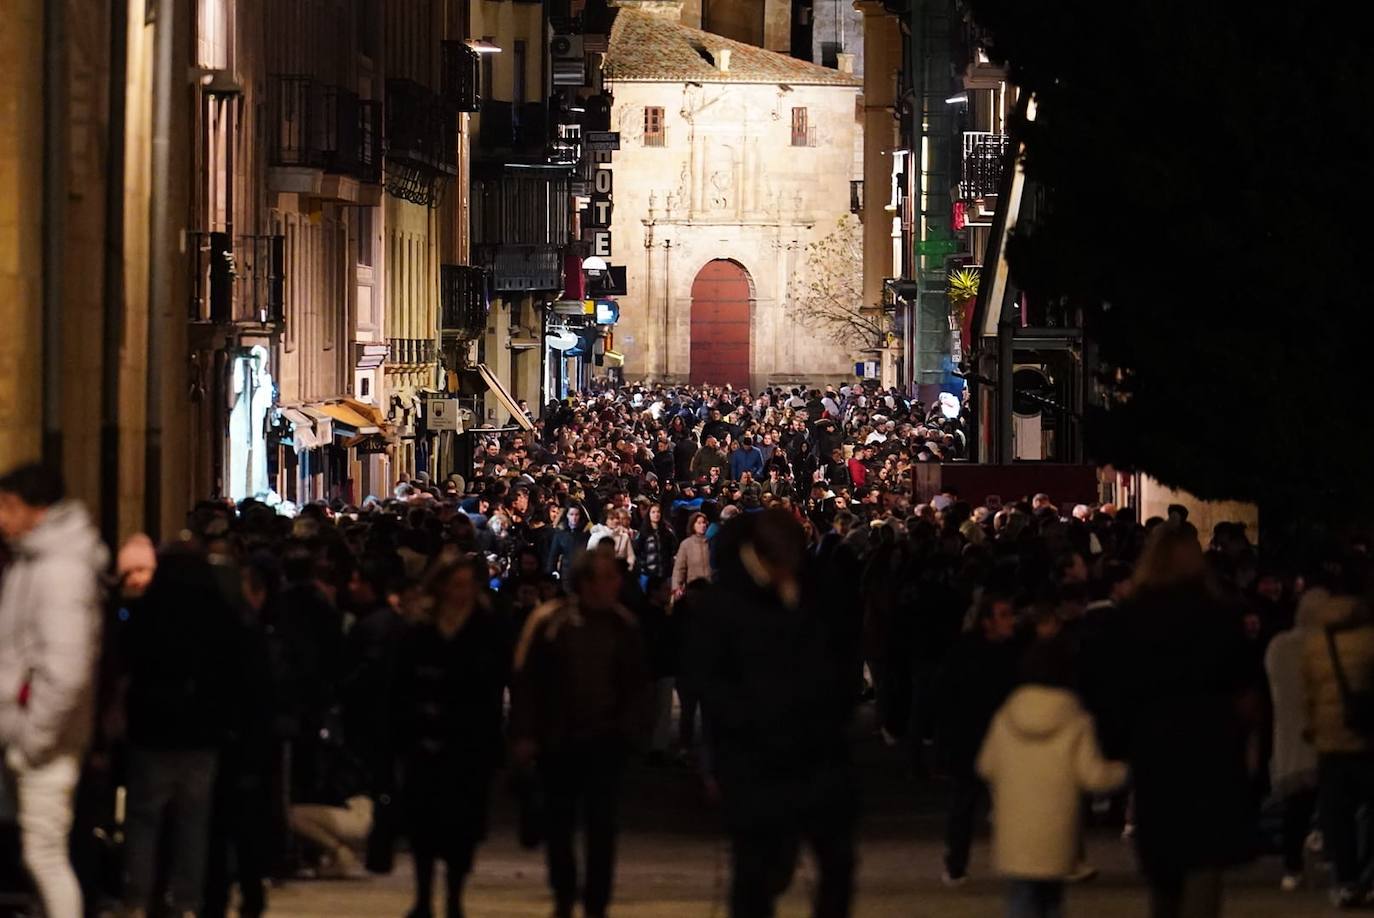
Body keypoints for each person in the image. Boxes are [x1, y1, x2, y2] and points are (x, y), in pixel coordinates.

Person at [682, 508, 857, 918]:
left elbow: (840, 660)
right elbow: (714, 686)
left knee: (836, 864)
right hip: (756, 758)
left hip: (817, 755)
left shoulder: (813, 591)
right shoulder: (728, 605)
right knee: (759, 869)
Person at [1110, 524, 1256, 918]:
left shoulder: (1132, 617)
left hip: (1156, 751)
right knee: (1204, 867)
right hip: (1210, 750)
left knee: (1164, 871)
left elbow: (1117, 690)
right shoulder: (1217, 615)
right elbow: (1244, 688)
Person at [511, 547, 650, 918]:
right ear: (586, 582)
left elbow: (636, 687)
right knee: (560, 824)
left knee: (602, 828)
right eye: (605, 578)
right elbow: (528, 682)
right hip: (559, 740)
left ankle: (596, 902)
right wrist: (526, 734)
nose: (613, 585)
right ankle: (563, 893)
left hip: (605, 741)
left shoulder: (623, 626)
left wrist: (630, 732)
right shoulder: (551, 622)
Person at [0, 464, 105, 918]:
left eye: (8, 506)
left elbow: (65, 670)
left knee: (45, 854)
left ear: (36, 510)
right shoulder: (36, 561)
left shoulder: (58, 571)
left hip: (44, 742)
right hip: (31, 734)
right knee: (40, 854)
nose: (2, 517)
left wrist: (31, 738)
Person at [122, 542, 241, 917]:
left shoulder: (148, 614)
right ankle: (186, 900)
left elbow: (130, 669)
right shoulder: (218, 616)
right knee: (193, 823)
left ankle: (138, 898)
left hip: (152, 732)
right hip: (201, 736)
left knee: (144, 820)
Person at [393, 554, 511, 918]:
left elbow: (495, 684)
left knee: (462, 826)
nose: (462, 592)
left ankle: (455, 897)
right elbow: (400, 685)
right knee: (423, 823)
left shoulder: (485, 628)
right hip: (424, 740)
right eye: (456, 584)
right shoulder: (420, 629)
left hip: (467, 742)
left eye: (468, 585)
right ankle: (424, 897)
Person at [977, 638, 1128, 918]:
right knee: (1051, 903)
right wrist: (1125, 770)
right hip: (1055, 829)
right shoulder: (1075, 718)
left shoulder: (1006, 716)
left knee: (1021, 900)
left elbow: (986, 765)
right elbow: (1093, 776)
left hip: (1016, 830)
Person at [936, 593, 1022, 886]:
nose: (1011, 620)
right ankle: (956, 863)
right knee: (965, 804)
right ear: (987, 622)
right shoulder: (967, 653)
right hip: (971, 740)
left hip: (997, 740)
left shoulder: (1011, 651)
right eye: (1004, 615)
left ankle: (1019, 862)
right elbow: (949, 699)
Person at [1302, 562, 1374, 908]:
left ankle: (1345, 880)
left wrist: (1312, 727)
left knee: (1338, 815)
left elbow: (1309, 693)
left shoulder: (1317, 642)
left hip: (1331, 739)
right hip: (1368, 736)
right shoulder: (1369, 636)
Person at [1264, 576, 1326, 893]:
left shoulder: (1278, 647)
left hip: (1288, 736)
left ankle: (1292, 866)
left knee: (1294, 808)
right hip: (1324, 734)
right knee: (1332, 801)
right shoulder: (1326, 648)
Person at [671, 512, 712, 599]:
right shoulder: (686, 544)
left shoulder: (711, 543)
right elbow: (679, 568)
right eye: (699, 523)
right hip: (694, 590)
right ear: (693, 525)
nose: (702, 525)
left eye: (704, 522)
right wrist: (677, 587)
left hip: (711, 589)